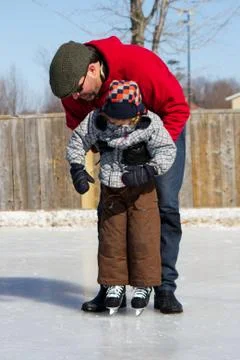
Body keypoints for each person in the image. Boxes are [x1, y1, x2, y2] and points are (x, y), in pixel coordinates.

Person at [49, 36, 190, 314]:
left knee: (164, 207)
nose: (75, 98)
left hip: (160, 134)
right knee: (111, 213)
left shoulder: (139, 65)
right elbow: (81, 132)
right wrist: (81, 163)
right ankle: (111, 285)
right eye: (69, 96)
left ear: (92, 68)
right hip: (113, 145)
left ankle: (164, 287)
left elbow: (177, 108)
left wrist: (150, 157)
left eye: (78, 90)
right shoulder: (74, 91)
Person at [66, 80, 177, 315]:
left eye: (122, 118)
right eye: (113, 116)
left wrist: (149, 169)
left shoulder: (150, 123)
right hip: (111, 190)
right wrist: (77, 168)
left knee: (143, 236)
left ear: (137, 113)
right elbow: (78, 140)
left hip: (142, 189)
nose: (116, 122)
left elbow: (167, 149)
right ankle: (113, 284)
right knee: (111, 238)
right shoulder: (97, 120)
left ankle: (143, 284)